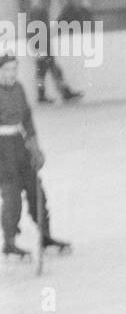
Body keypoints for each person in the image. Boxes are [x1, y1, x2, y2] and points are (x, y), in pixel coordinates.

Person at [0, 54, 70, 260]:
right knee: (12, 194)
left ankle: (45, 236)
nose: (12, 73)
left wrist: (35, 148)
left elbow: (27, 120)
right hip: (2, 148)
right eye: (7, 70)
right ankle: (10, 243)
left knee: (35, 189)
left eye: (14, 69)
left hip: (19, 143)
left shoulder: (19, 88)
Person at [27, 0, 81, 104]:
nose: (50, 2)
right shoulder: (40, 11)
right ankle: (64, 93)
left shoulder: (39, 10)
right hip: (42, 47)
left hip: (42, 46)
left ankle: (43, 95)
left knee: (43, 72)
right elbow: (34, 30)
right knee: (53, 71)